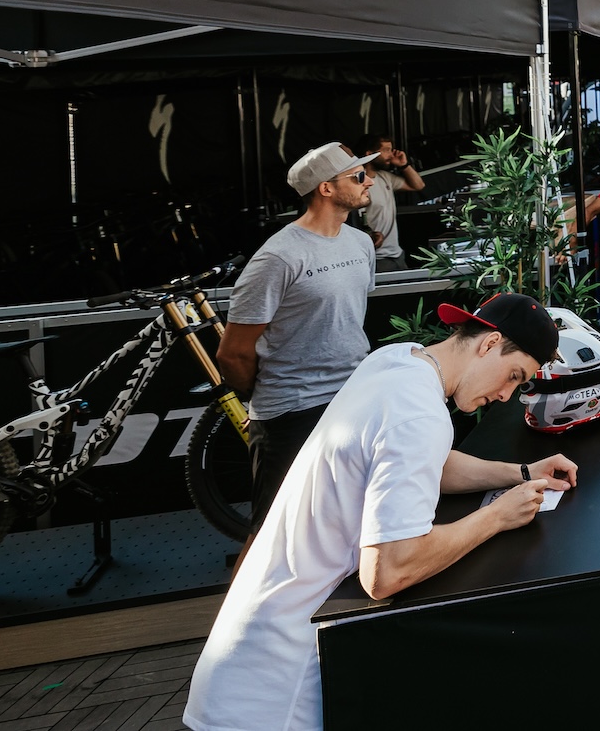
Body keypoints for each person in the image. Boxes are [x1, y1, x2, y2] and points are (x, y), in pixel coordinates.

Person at [186, 294, 575, 731]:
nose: (505, 395)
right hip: (276, 689)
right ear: (489, 343)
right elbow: (388, 572)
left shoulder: (396, 363)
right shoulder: (417, 412)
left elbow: (431, 462)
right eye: (514, 376)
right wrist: (496, 517)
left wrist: (519, 472)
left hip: (248, 652)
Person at [215, 142, 379, 532]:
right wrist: (272, 391)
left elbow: (344, 319)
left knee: (351, 515)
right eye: (358, 176)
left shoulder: (358, 243)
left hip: (352, 398)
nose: (368, 180)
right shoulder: (278, 257)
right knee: (275, 530)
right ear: (326, 188)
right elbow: (233, 353)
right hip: (292, 411)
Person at [355, 135, 425, 271]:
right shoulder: (358, 184)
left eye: (391, 149)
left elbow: (418, 185)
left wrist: (404, 165)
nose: (391, 154)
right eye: (386, 150)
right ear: (369, 154)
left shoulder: (384, 177)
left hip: (397, 254)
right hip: (377, 258)